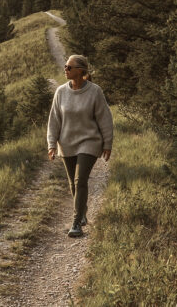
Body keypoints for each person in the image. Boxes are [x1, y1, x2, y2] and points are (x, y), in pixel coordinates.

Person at [47, 54, 113, 238]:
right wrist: (51, 144)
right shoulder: (60, 92)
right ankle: (82, 211)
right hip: (66, 143)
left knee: (80, 180)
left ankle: (76, 223)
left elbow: (105, 118)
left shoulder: (95, 91)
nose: (65, 69)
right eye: (65, 66)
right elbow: (54, 120)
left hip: (89, 141)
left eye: (69, 67)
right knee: (72, 183)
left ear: (81, 71)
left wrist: (107, 143)